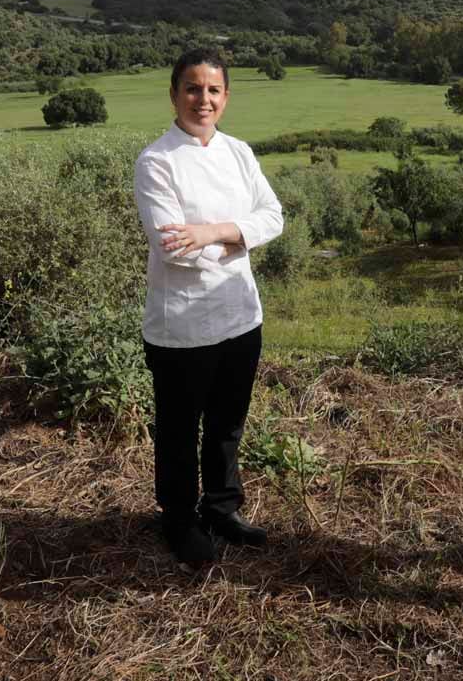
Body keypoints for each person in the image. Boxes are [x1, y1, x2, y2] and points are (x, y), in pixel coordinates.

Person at [133, 48, 284, 565]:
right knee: (179, 428)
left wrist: (214, 232)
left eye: (214, 89)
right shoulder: (156, 162)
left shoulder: (240, 153)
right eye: (193, 88)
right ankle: (178, 519)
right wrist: (238, 242)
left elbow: (273, 217)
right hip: (183, 326)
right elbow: (172, 248)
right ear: (174, 94)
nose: (204, 99)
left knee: (227, 422)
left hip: (242, 316)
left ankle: (222, 507)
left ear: (226, 97)